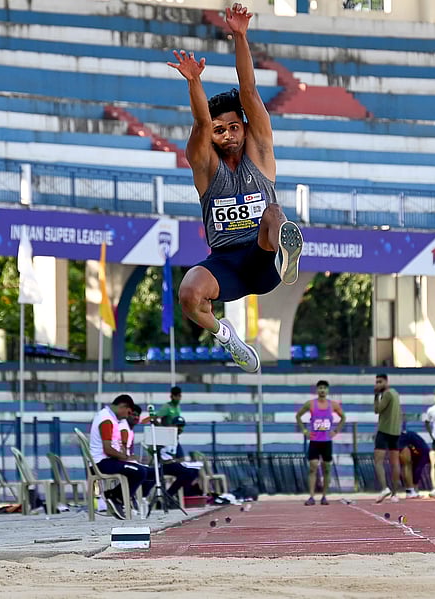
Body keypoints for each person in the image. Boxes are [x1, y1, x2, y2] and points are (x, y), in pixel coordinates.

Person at [168, 2, 303, 374]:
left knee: (274, 213)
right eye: (219, 129)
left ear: (244, 127)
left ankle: (286, 255)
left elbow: (249, 91)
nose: (227, 134)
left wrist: (240, 37)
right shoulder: (206, 166)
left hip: (263, 257)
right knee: (188, 294)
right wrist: (194, 82)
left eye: (233, 127)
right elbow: (198, 122)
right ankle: (227, 337)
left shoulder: (258, 153)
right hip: (225, 262)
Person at [88, 394, 155, 519]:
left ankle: (116, 496)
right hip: (101, 463)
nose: (127, 416)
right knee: (139, 472)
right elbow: (107, 449)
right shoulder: (106, 419)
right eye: (128, 412)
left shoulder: (108, 417)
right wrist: (124, 457)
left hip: (106, 461)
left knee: (144, 471)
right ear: (122, 406)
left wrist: (124, 456)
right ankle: (117, 498)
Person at [295, 380, 346, 506]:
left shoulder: (333, 405)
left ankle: (324, 496)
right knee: (312, 467)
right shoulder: (310, 404)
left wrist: (336, 431)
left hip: (326, 441)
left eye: (324, 388)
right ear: (317, 390)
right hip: (314, 441)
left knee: (326, 469)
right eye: (320, 388)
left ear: (328, 390)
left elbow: (343, 417)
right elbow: (298, 416)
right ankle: (311, 497)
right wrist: (305, 430)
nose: (322, 390)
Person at [157, 416, 201, 505]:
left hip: (172, 464)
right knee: (187, 473)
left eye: (181, 426)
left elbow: (180, 458)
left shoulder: (176, 438)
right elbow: (158, 453)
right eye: (178, 426)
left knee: (194, 471)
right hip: (164, 465)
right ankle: (169, 495)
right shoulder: (165, 435)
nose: (180, 428)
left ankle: (183, 495)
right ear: (172, 425)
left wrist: (179, 461)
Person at [373, 374, 402, 503]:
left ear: (386, 381)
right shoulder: (395, 393)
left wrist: (375, 396)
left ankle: (385, 488)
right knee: (395, 463)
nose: (377, 384)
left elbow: (377, 410)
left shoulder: (387, 394)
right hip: (395, 432)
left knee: (378, 461)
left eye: (380, 382)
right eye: (376, 382)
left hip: (384, 431)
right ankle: (395, 494)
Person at [398, 427, 429, 498]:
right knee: (407, 465)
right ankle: (411, 491)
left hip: (401, 437)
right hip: (403, 438)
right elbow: (418, 470)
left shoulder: (421, 452)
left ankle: (409, 490)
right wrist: (415, 483)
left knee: (404, 465)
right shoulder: (425, 455)